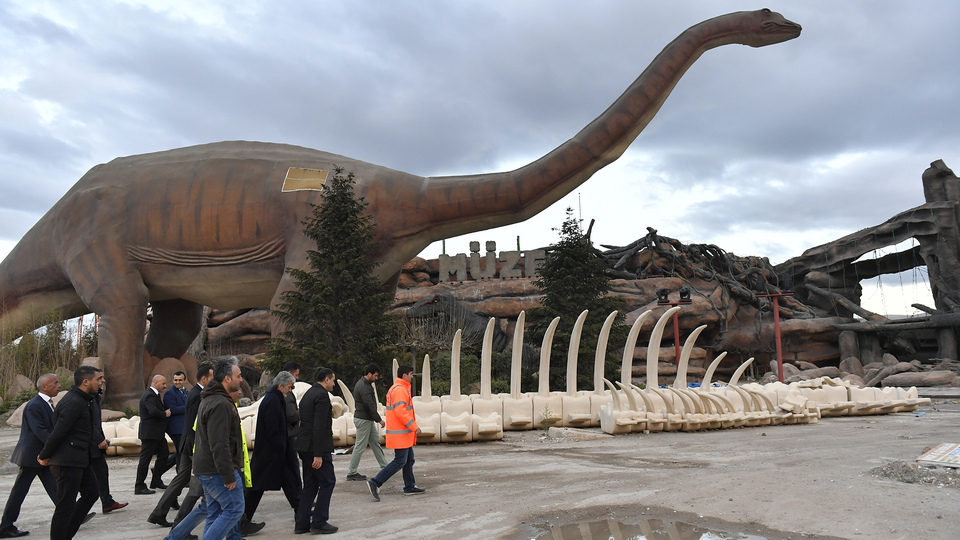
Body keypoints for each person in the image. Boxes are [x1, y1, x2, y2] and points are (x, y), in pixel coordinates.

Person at [37, 366, 103, 540]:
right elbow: (58, 432)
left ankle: (65, 535)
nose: (102, 381)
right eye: (99, 379)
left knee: (91, 493)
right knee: (65, 506)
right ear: (86, 381)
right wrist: (44, 455)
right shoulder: (73, 402)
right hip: (67, 460)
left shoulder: (83, 399)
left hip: (80, 458)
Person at [149, 364, 213, 529]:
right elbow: (192, 422)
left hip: (189, 444)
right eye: (213, 377)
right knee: (191, 486)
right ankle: (177, 523)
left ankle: (159, 513)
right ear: (204, 378)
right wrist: (192, 448)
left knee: (180, 480)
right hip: (192, 445)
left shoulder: (192, 393)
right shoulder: (197, 395)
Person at [0, 374, 60, 538]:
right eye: (55, 383)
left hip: (41, 455)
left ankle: (72, 514)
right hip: (32, 455)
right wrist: (54, 447)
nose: (59, 386)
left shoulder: (45, 404)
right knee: (19, 491)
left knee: (54, 486)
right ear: (45, 387)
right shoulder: (34, 405)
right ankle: (5, 526)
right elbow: (40, 431)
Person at [192, 357, 246, 540]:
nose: (241, 380)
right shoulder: (220, 404)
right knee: (234, 509)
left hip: (207, 468)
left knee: (214, 512)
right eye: (238, 376)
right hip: (216, 470)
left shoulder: (212, 399)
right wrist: (228, 474)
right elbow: (219, 443)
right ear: (227, 379)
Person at [243, 371, 299, 531]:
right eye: (289, 386)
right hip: (271, 454)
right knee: (258, 487)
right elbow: (273, 429)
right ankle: (243, 521)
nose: (291, 390)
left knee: (288, 484)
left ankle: (301, 512)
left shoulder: (274, 398)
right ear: (280, 386)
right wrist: (281, 446)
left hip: (272, 453)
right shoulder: (273, 401)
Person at [367, 364, 425, 501]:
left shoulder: (399, 388)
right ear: (404, 375)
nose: (412, 376)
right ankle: (375, 482)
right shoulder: (400, 390)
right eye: (410, 374)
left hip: (402, 434)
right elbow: (401, 412)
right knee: (400, 461)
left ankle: (410, 486)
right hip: (401, 434)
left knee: (409, 460)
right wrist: (414, 427)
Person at [294, 368, 338, 535]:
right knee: (328, 481)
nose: (334, 384)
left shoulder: (309, 393)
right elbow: (319, 426)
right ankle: (319, 521)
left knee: (311, 484)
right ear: (326, 379)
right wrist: (318, 454)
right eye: (333, 380)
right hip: (315, 448)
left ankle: (301, 523)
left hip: (305, 446)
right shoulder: (321, 396)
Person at [90, 381, 128, 514]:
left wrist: (101, 437)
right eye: (99, 378)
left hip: (94, 444)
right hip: (87, 446)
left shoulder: (94, 397)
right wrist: (98, 439)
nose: (102, 381)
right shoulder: (85, 400)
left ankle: (107, 502)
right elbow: (86, 423)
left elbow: (95, 423)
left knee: (101, 472)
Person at [346, 364, 387, 481]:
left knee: (375, 443)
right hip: (364, 420)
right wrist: (379, 419)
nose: (376, 378)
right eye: (375, 375)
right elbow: (369, 405)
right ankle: (352, 472)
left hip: (366, 419)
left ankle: (385, 467)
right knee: (360, 446)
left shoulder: (364, 384)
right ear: (369, 374)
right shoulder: (364, 386)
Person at [136, 374, 172, 494]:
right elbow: (152, 410)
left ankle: (156, 480)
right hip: (150, 434)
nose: (165, 386)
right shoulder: (149, 396)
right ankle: (139, 486)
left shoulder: (154, 395)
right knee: (145, 460)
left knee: (164, 454)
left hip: (157, 434)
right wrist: (164, 414)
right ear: (155, 383)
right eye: (163, 383)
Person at [165, 371, 188, 459]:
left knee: (182, 452)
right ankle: (180, 472)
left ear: (185, 381)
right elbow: (172, 409)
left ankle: (158, 469)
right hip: (176, 428)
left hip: (183, 427)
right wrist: (188, 406)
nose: (177, 382)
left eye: (180, 380)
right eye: (175, 380)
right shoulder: (170, 393)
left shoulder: (185, 391)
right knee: (181, 452)